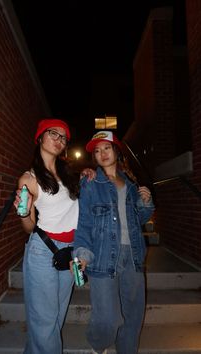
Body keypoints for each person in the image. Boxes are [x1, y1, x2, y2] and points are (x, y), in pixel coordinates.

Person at [72, 131, 155, 354]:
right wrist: (81, 254)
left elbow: (138, 220)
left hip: (133, 256)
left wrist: (145, 203)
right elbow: (85, 222)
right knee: (108, 319)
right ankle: (97, 346)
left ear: (116, 151)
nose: (102, 153)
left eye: (106, 148)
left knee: (132, 317)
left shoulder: (130, 185)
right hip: (102, 255)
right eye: (97, 151)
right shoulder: (91, 182)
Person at [14, 118, 80, 354]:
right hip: (43, 250)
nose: (59, 140)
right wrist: (23, 212)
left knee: (57, 316)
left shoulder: (68, 173)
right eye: (53, 133)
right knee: (44, 321)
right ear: (40, 137)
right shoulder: (29, 179)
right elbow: (29, 227)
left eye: (63, 137)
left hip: (70, 250)